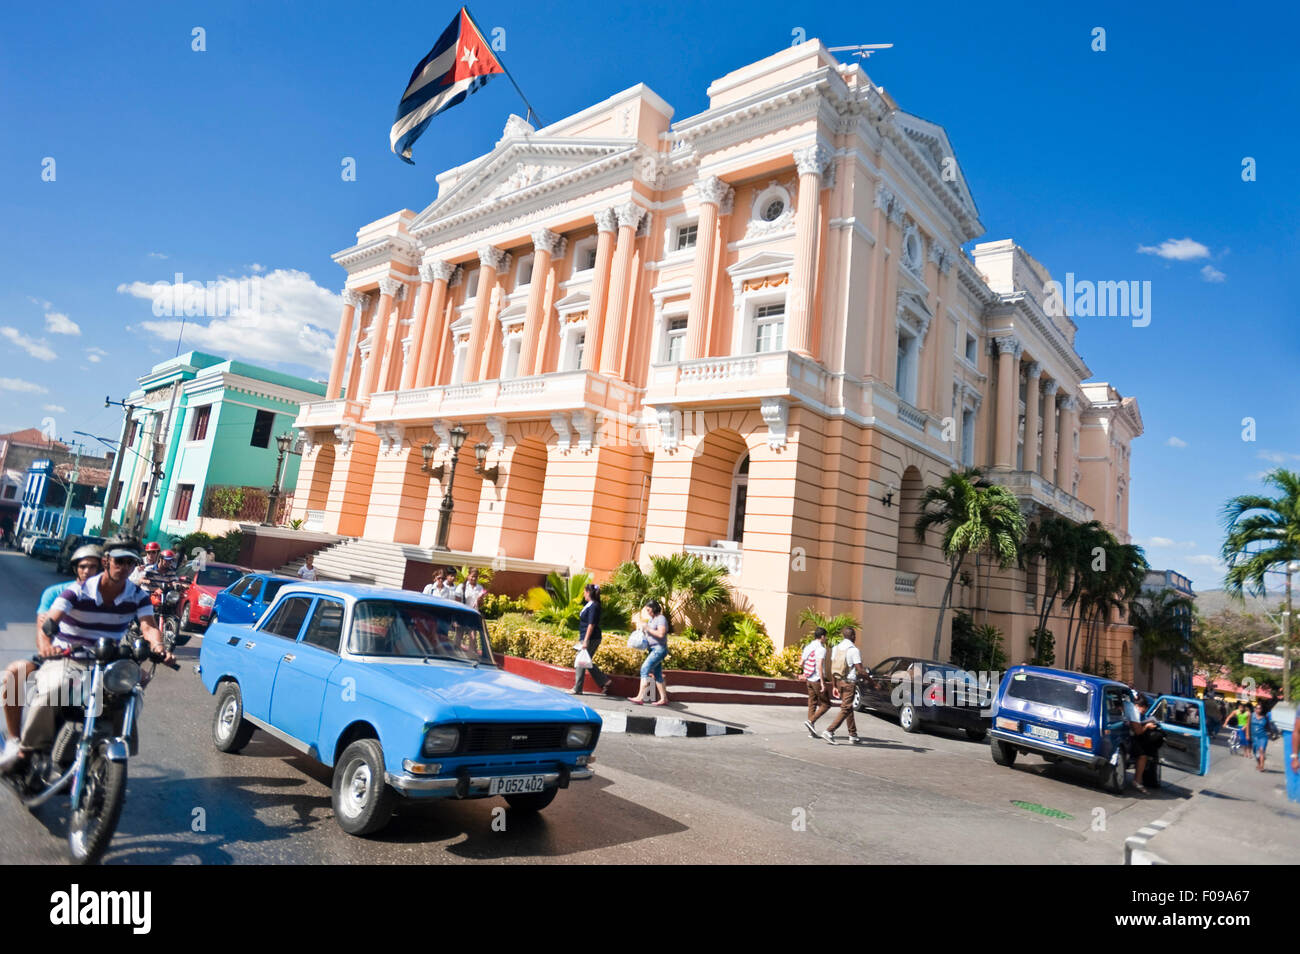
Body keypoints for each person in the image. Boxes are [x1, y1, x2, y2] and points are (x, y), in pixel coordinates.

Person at [2, 536, 173, 776]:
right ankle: (26, 750)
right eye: (119, 561)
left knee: (130, 694)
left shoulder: (138, 595)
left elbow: (148, 626)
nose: (124, 568)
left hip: (107, 661)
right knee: (53, 689)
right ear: (107, 561)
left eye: (130, 563)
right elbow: (48, 622)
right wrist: (47, 646)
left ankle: (112, 747)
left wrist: (158, 646)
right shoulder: (74, 591)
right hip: (69, 656)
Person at [0, 544, 104, 764]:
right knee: (13, 675)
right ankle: (16, 740)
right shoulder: (57, 593)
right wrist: (46, 648)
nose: (87, 571)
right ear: (75, 568)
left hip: (95, 662)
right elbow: (43, 626)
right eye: (83, 566)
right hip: (56, 656)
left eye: (93, 567)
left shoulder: (108, 597)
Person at [822, 627, 864, 744]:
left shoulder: (836, 648)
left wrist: (834, 685)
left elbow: (833, 667)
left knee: (848, 707)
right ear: (852, 636)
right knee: (846, 708)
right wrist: (873, 683)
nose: (855, 637)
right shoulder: (854, 650)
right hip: (849, 683)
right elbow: (860, 670)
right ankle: (829, 731)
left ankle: (853, 734)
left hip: (839, 682)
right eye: (854, 635)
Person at [569, 583, 611, 695]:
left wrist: (586, 641)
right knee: (586, 661)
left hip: (592, 638)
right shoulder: (590, 605)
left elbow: (591, 624)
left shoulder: (594, 606)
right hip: (587, 637)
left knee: (581, 661)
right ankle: (604, 680)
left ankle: (577, 688)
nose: (583, 594)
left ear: (588, 592)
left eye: (584, 592)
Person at [630, 599, 670, 706]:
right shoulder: (652, 620)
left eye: (648, 609)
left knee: (644, 669)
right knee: (657, 674)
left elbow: (661, 634)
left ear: (654, 608)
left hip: (659, 649)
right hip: (652, 649)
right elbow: (650, 633)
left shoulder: (661, 619)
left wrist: (647, 628)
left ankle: (640, 697)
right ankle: (664, 699)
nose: (648, 612)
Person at [1125, 691, 1162, 793]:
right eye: (1144, 710)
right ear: (1140, 706)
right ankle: (1137, 781)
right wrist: (1147, 726)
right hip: (1127, 737)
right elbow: (1138, 732)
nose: (1144, 712)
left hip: (1125, 734)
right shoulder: (1134, 711)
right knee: (1142, 755)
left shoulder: (1127, 704)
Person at [800, 627, 832, 738]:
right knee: (826, 704)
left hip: (808, 679)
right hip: (816, 680)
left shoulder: (808, 647)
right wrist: (823, 683)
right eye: (825, 636)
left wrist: (805, 672)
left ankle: (811, 731)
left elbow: (801, 662)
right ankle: (811, 721)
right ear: (822, 636)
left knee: (812, 703)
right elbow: (819, 666)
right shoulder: (821, 649)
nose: (826, 638)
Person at [1247, 701, 1272, 772]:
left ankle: (1262, 766)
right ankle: (1259, 763)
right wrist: (1247, 734)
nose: (1258, 710)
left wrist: (1271, 733)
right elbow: (1248, 725)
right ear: (1255, 709)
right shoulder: (1251, 715)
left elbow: (1268, 727)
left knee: (1261, 750)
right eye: (1257, 708)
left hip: (1263, 737)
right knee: (1255, 752)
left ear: (1262, 709)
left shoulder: (1265, 717)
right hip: (1254, 737)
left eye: (1260, 708)